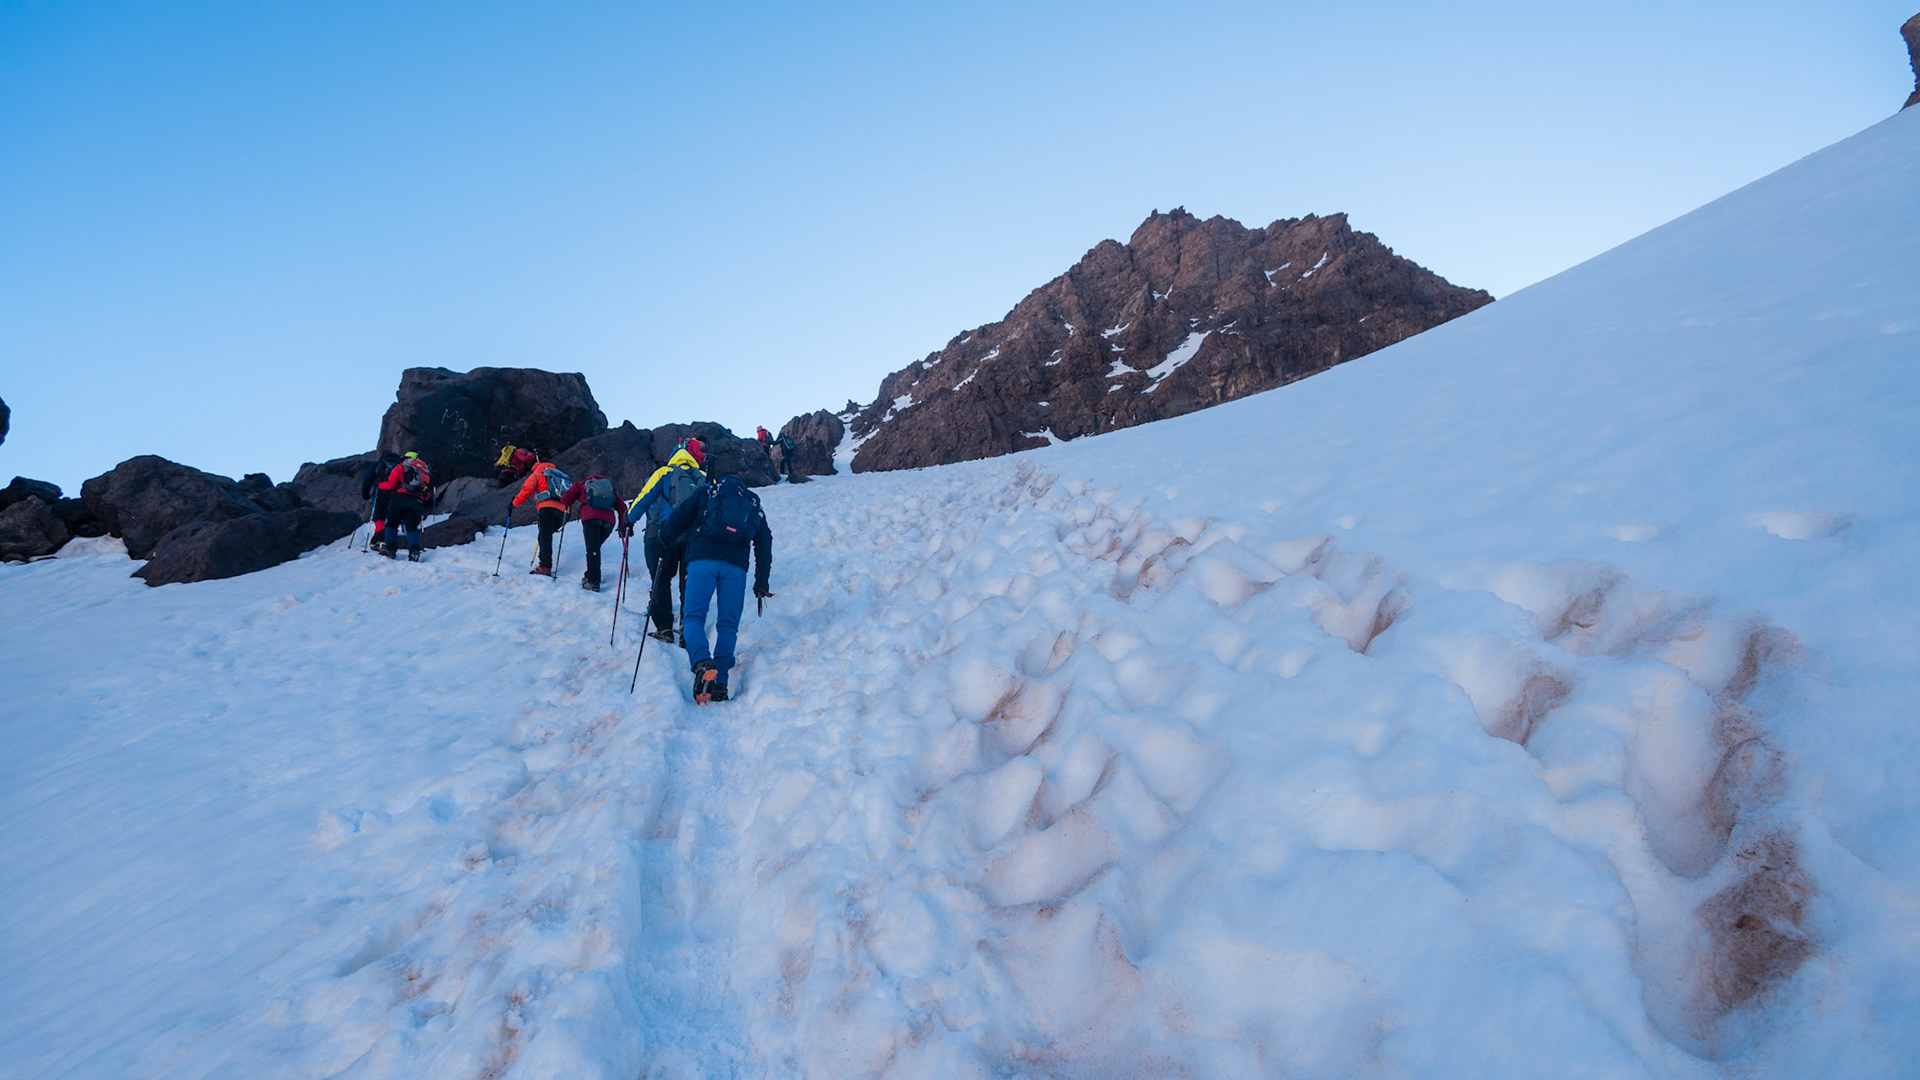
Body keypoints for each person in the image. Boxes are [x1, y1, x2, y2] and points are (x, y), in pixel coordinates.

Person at [660, 465, 772, 703]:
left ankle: (702, 662)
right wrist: (761, 579)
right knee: (728, 625)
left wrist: (665, 537)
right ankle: (720, 682)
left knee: (693, 617)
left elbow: (679, 517)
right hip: (736, 567)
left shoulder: (706, 493)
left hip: (702, 561)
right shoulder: (752, 505)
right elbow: (764, 541)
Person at [625, 439, 707, 643]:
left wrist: (628, 520)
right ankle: (687, 630)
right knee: (688, 581)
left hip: (666, 534)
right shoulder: (704, 477)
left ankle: (664, 629)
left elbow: (645, 496)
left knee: (661, 579)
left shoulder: (664, 472)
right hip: (693, 538)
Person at [558, 471, 630, 591]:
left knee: (593, 549)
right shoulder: (610, 489)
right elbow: (622, 508)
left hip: (590, 519)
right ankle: (590, 575)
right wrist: (622, 526)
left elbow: (565, 499)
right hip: (608, 522)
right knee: (594, 548)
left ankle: (593, 581)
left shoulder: (581, 485)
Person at [512, 456, 572, 576]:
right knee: (545, 535)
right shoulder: (560, 477)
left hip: (547, 508)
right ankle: (543, 561)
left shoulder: (537, 474)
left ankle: (545, 567)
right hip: (564, 511)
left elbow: (526, 490)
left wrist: (514, 504)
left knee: (545, 536)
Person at [382, 452, 433, 561]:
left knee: (391, 524)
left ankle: (390, 550)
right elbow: (427, 494)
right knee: (412, 527)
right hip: (416, 502)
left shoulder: (400, 467)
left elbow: (390, 485)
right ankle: (414, 552)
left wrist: (380, 486)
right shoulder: (424, 469)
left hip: (399, 499)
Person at [360, 450, 402, 553]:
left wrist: (365, 493)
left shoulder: (378, 464)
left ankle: (379, 539)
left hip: (379, 492)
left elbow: (368, 478)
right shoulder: (399, 464)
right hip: (395, 493)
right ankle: (391, 540)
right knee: (392, 517)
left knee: (379, 516)